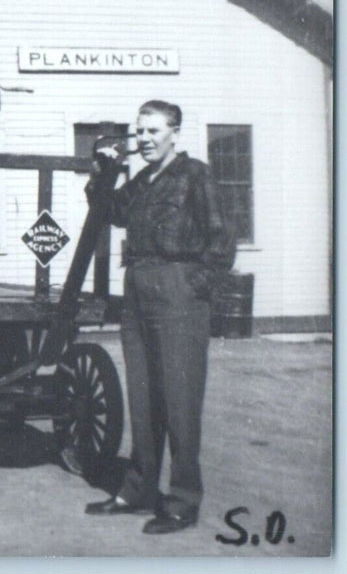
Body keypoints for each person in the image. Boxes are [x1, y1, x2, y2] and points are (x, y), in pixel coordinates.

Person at [84, 100, 235, 534]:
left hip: (177, 294)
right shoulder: (144, 180)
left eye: (154, 131)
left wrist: (193, 286)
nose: (145, 139)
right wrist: (102, 172)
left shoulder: (195, 175)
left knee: (180, 400)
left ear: (175, 133)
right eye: (140, 132)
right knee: (143, 398)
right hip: (137, 289)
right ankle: (138, 490)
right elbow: (110, 212)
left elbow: (223, 239)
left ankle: (183, 500)